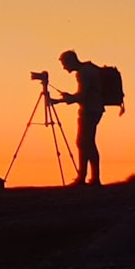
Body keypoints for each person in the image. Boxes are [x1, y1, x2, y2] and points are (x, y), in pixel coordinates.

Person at [55, 50, 105, 186]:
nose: (64, 68)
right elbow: (84, 94)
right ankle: (88, 177)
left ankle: (87, 178)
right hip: (94, 110)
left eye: (64, 64)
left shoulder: (83, 73)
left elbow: (82, 96)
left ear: (71, 61)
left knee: (84, 143)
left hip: (90, 111)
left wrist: (64, 99)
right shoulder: (89, 69)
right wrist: (68, 98)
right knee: (86, 143)